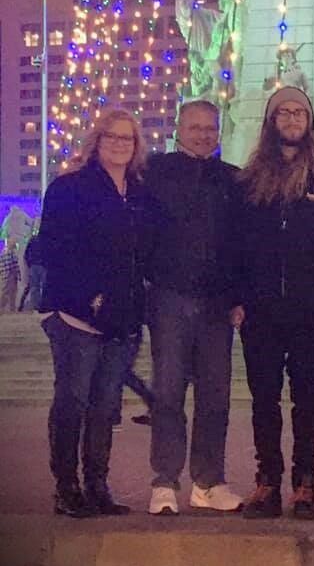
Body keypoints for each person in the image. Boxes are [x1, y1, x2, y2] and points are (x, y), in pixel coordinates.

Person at [233, 87, 314, 520]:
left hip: (310, 310)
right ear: (270, 123)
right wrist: (236, 299)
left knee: (307, 400)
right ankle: (267, 482)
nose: (290, 118)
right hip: (261, 311)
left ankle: (306, 484)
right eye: (282, 112)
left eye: (298, 111)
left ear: (309, 121)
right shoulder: (247, 182)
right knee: (263, 400)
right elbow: (235, 246)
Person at [38, 107, 155, 518]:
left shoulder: (140, 193)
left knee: (105, 407)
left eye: (128, 138)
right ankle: (66, 487)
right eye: (112, 137)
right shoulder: (70, 187)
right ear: (97, 140)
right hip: (76, 316)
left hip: (122, 320)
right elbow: (52, 247)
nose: (120, 144)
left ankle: (97, 485)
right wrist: (89, 298)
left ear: (137, 146)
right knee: (72, 401)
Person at [145, 100, 242, 516]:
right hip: (169, 295)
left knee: (215, 395)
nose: (203, 134)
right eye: (195, 127)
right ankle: (165, 481)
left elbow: (242, 246)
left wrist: (239, 297)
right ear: (178, 129)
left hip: (217, 303)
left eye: (210, 128)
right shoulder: (155, 172)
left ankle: (208, 480)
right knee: (167, 392)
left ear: (218, 132)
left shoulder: (233, 179)